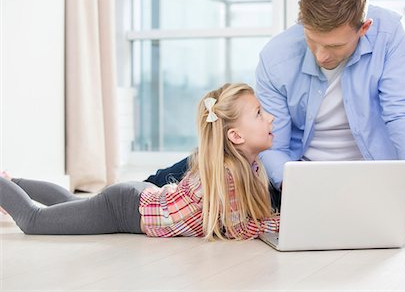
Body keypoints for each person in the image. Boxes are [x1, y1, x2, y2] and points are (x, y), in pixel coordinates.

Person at [143, 0, 405, 241]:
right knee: (218, 158)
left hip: (371, 178)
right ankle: (137, 192)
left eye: (334, 45)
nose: (321, 56)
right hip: (294, 177)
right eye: (312, 40)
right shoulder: (277, 56)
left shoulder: (390, 33)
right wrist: (304, 193)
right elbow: (273, 146)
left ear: (364, 27)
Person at [0, 83, 279, 240]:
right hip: (122, 210)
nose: (270, 118)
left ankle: (11, 183)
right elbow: (237, 228)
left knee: (72, 204)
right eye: (259, 113)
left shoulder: (250, 167)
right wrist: (279, 225)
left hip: (135, 198)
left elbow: (243, 221)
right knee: (33, 221)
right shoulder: (226, 173)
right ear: (235, 135)